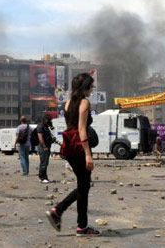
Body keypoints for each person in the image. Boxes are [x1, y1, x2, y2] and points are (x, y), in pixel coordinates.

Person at [46, 72, 100, 236]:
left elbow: (72, 127)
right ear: (86, 87)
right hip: (78, 147)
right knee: (84, 185)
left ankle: (78, 223)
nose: (92, 89)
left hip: (69, 146)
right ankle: (62, 212)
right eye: (91, 86)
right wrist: (88, 155)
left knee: (83, 185)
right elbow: (82, 130)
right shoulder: (84, 103)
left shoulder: (68, 103)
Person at [37, 113, 54, 183]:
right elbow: (40, 137)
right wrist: (44, 146)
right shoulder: (40, 126)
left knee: (45, 163)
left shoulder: (46, 126)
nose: (48, 121)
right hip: (43, 147)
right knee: (43, 163)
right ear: (45, 119)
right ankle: (42, 177)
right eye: (48, 119)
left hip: (47, 146)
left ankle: (45, 177)